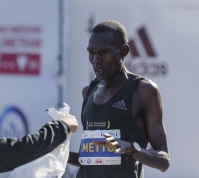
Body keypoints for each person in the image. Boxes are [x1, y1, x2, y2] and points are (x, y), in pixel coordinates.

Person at [68, 20, 170, 178]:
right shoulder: (88, 92)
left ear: (124, 50)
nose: (95, 59)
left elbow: (164, 161)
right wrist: (61, 155)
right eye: (91, 51)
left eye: (103, 52)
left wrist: (131, 149)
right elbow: (91, 160)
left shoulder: (143, 91)